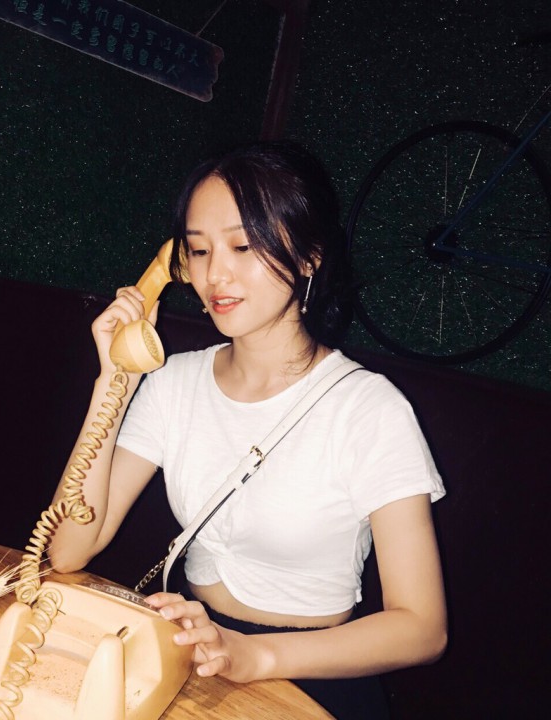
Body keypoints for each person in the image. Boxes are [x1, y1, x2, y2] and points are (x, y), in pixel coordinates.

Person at [48, 141, 447, 720]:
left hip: (312, 677)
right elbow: (67, 549)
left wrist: (254, 655)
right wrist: (114, 378)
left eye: (243, 245)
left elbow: (423, 629)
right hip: (195, 654)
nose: (216, 274)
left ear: (309, 257)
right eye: (198, 250)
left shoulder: (369, 409)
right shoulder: (173, 383)